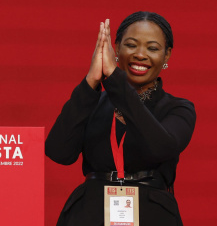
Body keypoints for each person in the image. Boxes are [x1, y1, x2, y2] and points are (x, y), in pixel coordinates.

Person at [46, 11, 196, 226]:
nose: (140, 55)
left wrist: (115, 78)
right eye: (131, 45)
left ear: (167, 55)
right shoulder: (92, 100)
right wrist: (91, 81)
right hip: (88, 214)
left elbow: (161, 147)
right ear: (116, 48)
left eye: (152, 48)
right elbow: (58, 152)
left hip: (152, 216)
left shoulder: (178, 108)